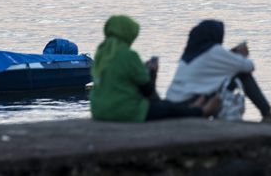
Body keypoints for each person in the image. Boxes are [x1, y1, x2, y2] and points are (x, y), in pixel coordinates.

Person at [90, 15, 221, 122]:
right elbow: (148, 92)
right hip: (123, 111)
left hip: (98, 110)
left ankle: (194, 108)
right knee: (167, 108)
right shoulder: (129, 55)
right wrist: (152, 72)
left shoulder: (101, 52)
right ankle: (201, 111)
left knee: (165, 106)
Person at [165, 20, 271, 124]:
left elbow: (213, 65)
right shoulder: (214, 51)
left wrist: (231, 56)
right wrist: (241, 56)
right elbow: (249, 66)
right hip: (190, 105)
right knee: (241, 74)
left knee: (228, 75)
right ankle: (266, 113)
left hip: (174, 105)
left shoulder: (188, 55)